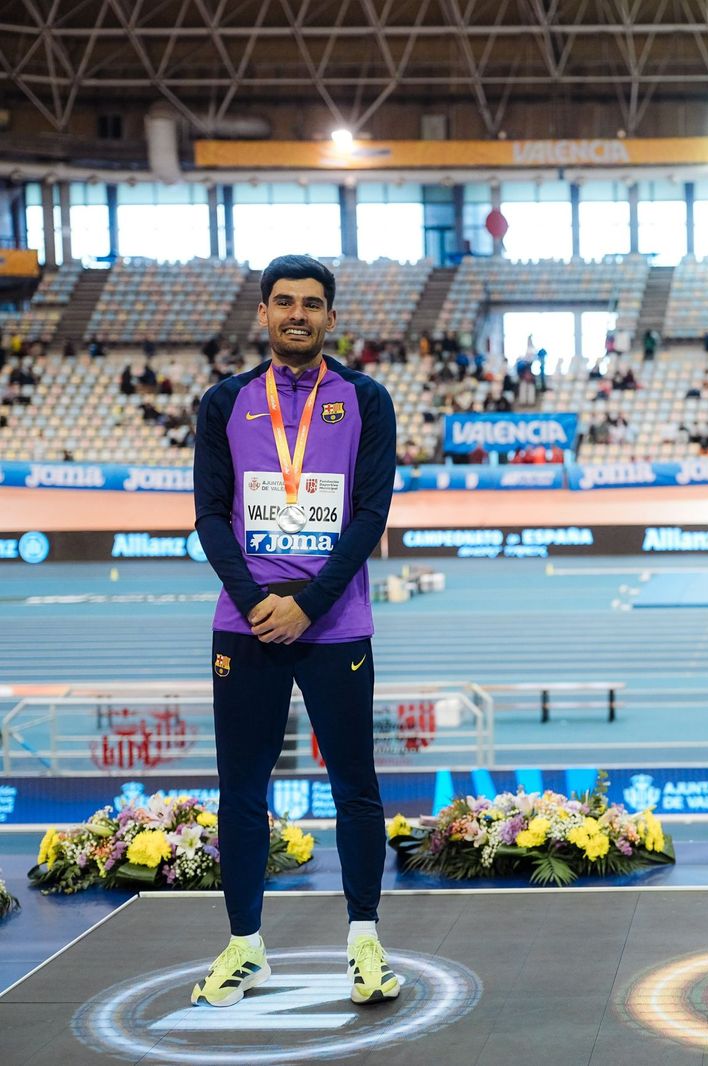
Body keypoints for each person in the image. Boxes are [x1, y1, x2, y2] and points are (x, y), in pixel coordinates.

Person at [191, 255, 401, 1009]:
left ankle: (366, 941)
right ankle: (245, 946)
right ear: (265, 314)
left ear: (331, 318)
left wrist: (308, 604)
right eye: (284, 302)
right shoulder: (224, 402)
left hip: (335, 622)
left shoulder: (367, 400)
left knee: (355, 788)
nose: (298, 315)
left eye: (312, 304)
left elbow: (368, 515)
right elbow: (210, 515)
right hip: (244, 625)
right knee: (242, 791)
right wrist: (255, 602)